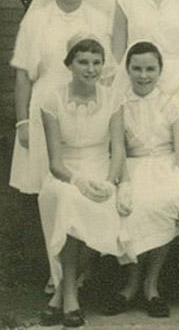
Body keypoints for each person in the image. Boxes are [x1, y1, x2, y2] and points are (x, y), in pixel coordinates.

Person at [104, 41, 179, 318]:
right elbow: (118, 147)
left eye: (150, 69)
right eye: (137, 68)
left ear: (160, 70)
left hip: (166, 164)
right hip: (132, 166)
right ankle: (131, 283)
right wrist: (123, 183)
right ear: (128, 70)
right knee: (132, 206)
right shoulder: (120, 103)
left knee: (165, 201)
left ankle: (151, 285)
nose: (143, 75)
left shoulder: (172, 101)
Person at [38, 35, 126, 328]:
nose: (90, 69)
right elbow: (54, 163)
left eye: (96, 63)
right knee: (69, 200)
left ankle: (62, 293)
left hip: (101, 172)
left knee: (98, 207)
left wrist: (111, 182)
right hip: (65, 175)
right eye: (83, 62)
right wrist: (79, 182)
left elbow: (118, 150)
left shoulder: (113, 99)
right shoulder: (52, 100)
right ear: (70, 64)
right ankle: (71, 297)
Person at [10, 0, 111, 195]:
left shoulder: (99, 20)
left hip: (85, 111)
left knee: (81, 186)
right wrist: (22, 122)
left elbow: (106, 75)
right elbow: (23, 76)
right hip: (44, 108)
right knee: (41, 183)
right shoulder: (35, 21)